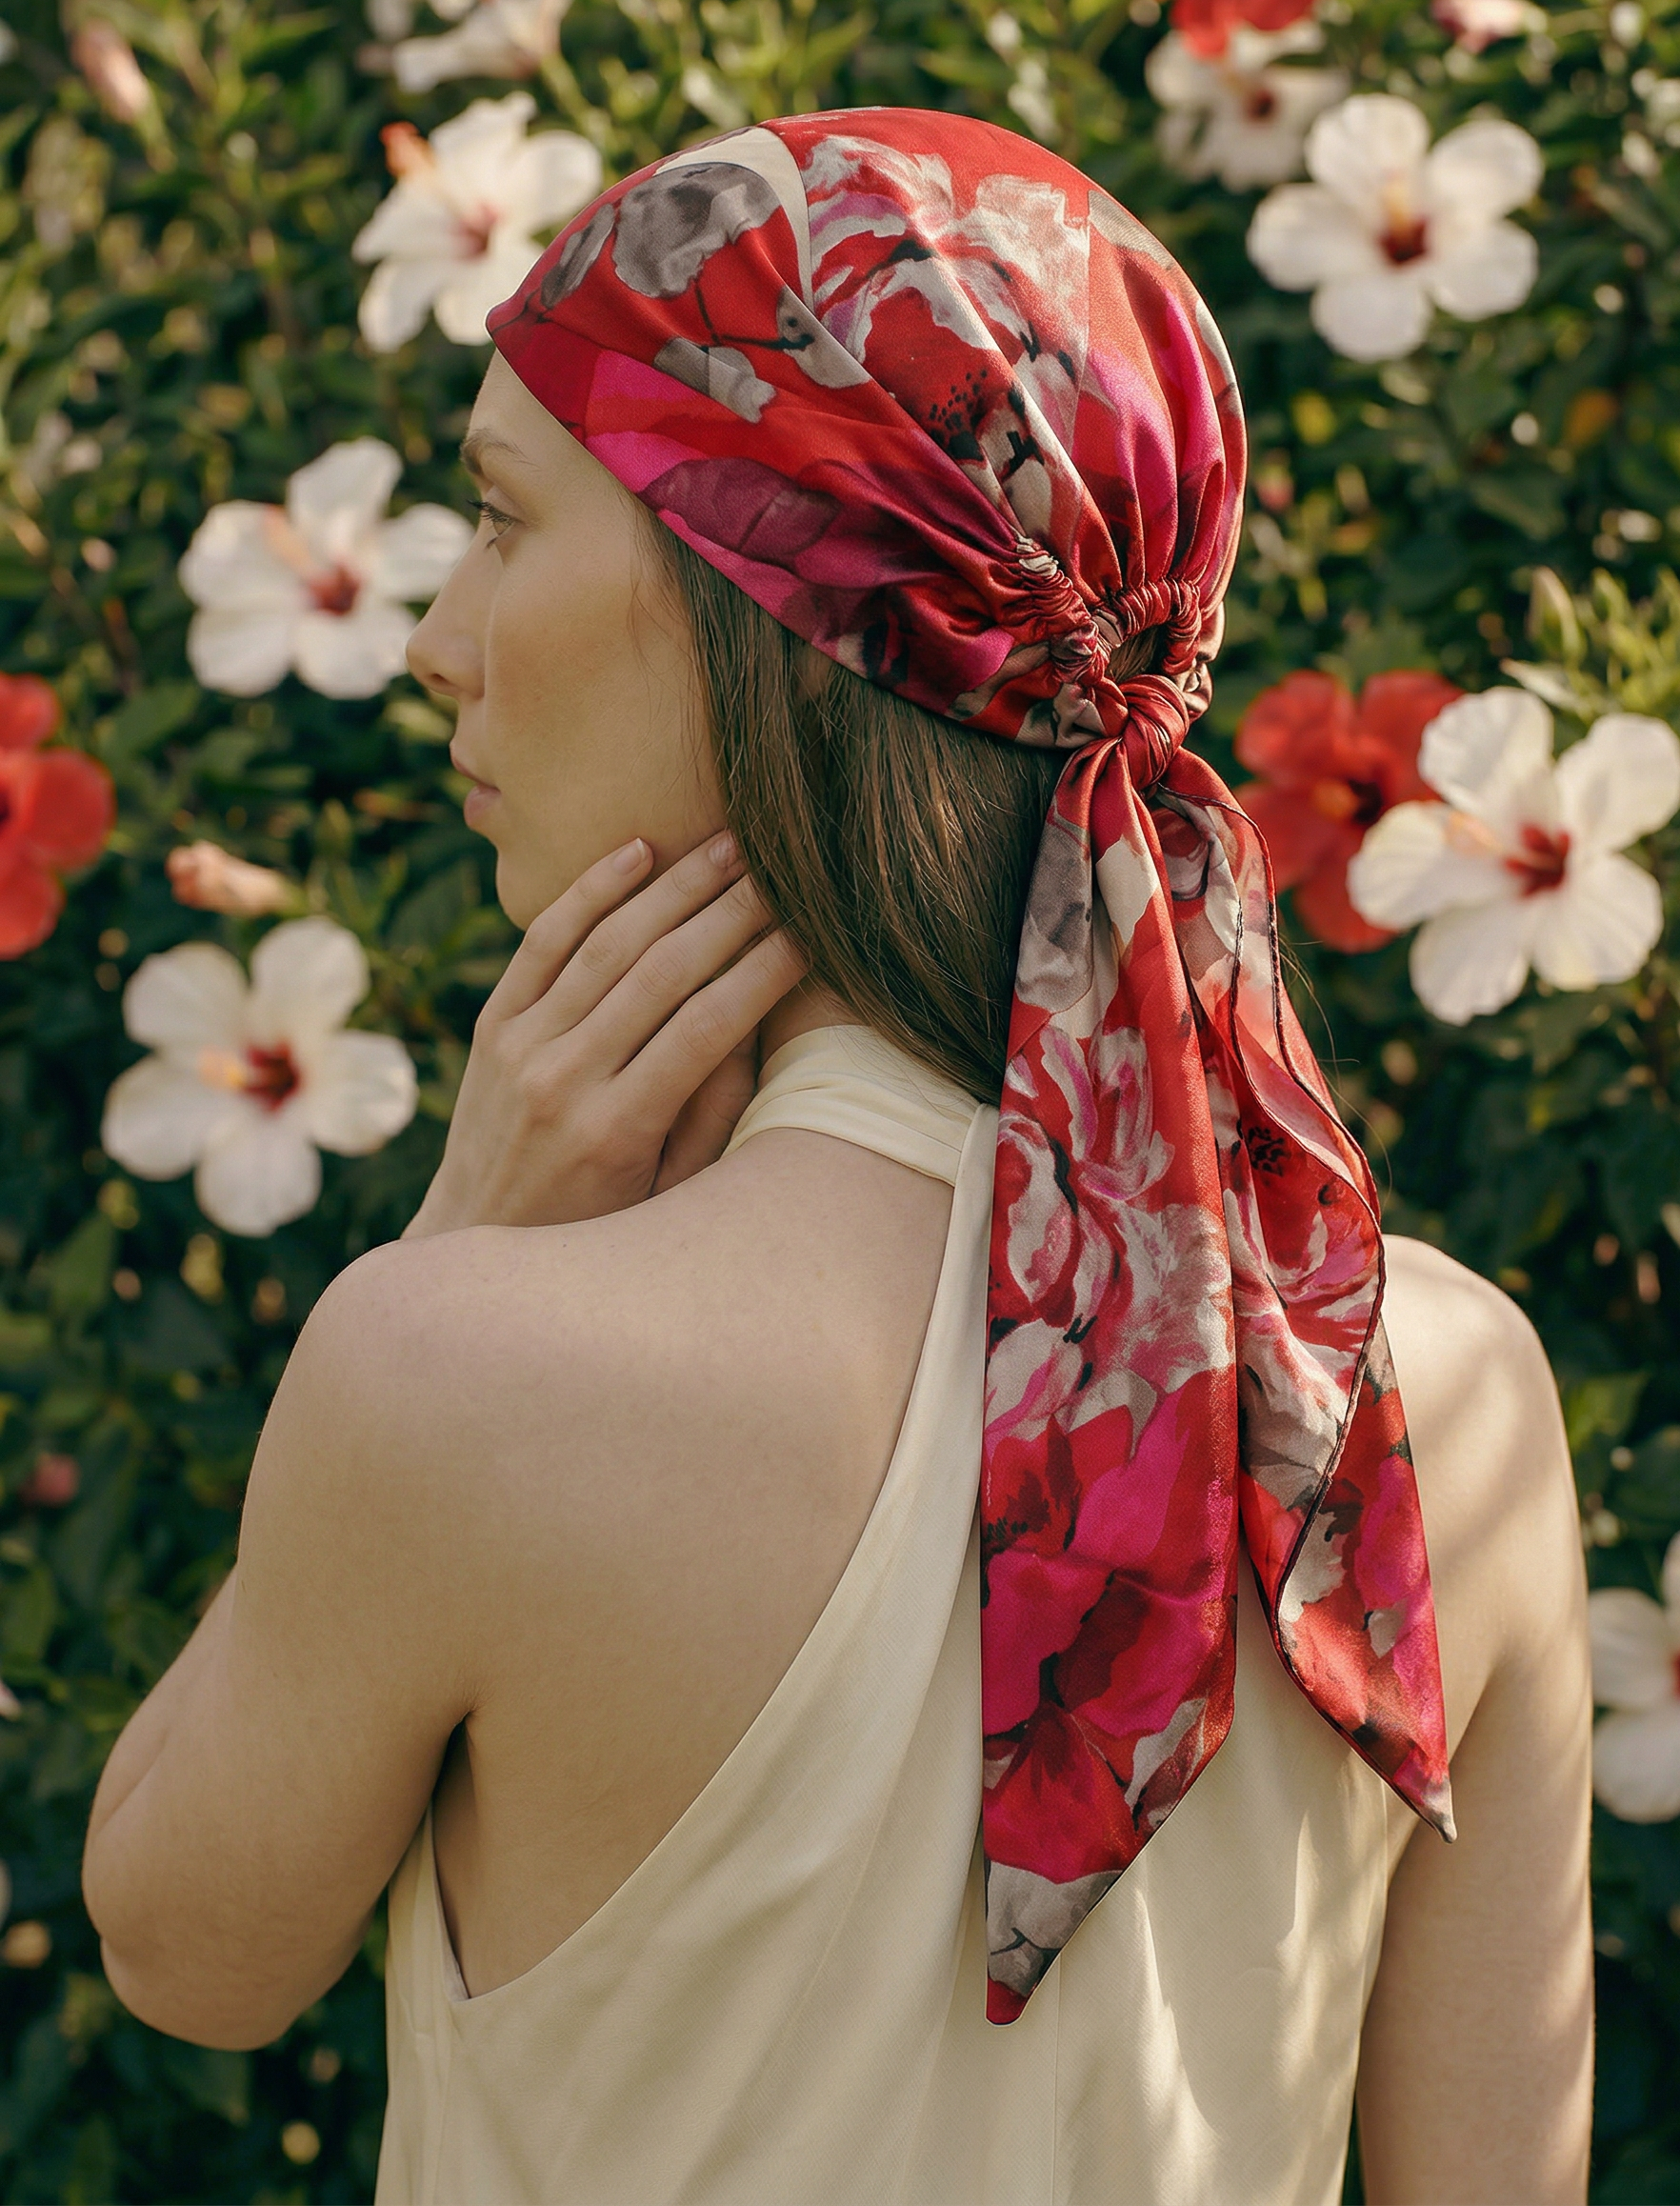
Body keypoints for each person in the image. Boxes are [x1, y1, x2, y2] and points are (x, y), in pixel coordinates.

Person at [83, 110, 1591, 2205]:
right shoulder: (1435, 1387)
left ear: (769, 610)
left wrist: (461, 1228)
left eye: (507, 523)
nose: (439, 637)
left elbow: (184, 1951)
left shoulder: (466, 1379)